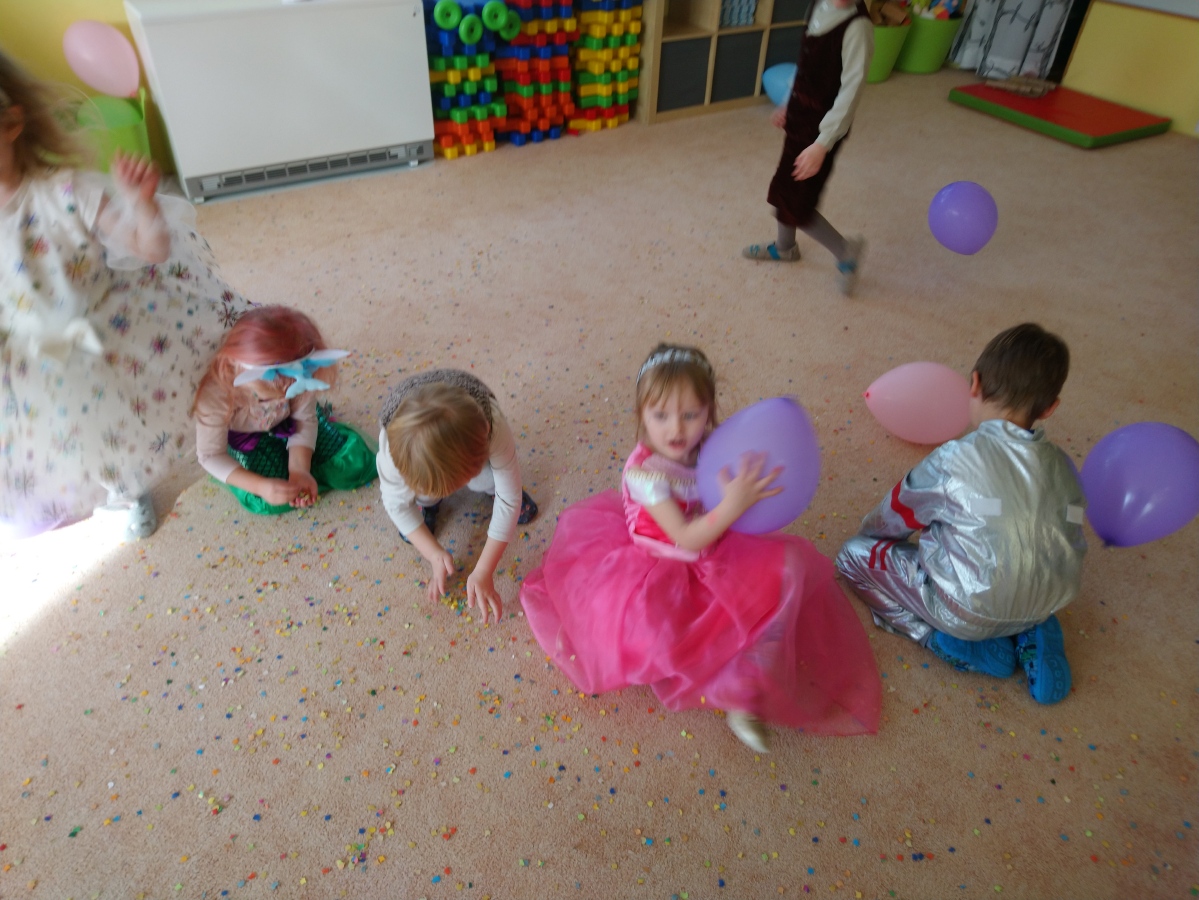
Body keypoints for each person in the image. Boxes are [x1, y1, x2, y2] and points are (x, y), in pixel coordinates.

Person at [520, 343, 881, 752]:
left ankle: (747, 688)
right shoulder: (645, 474)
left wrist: (752, 487)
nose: (676, 429)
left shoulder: (711, 445)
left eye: (691, 414)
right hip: (659, 562)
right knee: (659, 637)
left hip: (715, 545)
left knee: (789, 571)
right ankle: (729, 687)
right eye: (660, 416)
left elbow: (729, 481)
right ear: (641, 415)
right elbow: (685, 537)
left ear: (708, 411)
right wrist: (734, 505)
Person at [0, 51, 251, 539]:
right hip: (30, 352)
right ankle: (89, 487)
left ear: (11, 124)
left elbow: (150, 248)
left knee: (118, 422)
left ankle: (130, 488)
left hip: (101, 336)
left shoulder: (65, 192)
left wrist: (142, 206)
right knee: (58, 433)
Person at [836, 323, 1086, 705]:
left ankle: (937, 639)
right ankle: (1034, 631)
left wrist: (871, 537)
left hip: (964, 611)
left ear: (974, 383)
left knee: (851, 556)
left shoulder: (954, 458)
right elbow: (1071, 540)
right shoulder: (1065, 466)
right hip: (1049, 600)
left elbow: (897, 513)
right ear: (1050, 408)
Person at [376, 369, 539, 625]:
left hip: (475, 431)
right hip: (418, 445)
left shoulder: (492, 425)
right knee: (420, 498)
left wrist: (484, 569)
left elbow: (509, 499)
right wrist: (433, 554)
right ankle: (427, 501)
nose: (453, 493)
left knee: (488, 480)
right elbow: (395, 504)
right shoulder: (392, 451)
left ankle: (483, 485)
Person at [742, 0, 873, 296]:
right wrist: (788, 102)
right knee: (784, 187)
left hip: (822, 130)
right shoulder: (818, 6)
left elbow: (851, 92)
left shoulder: (857, 28)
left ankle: (845, 250)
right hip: (800, 118)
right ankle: (785, 248)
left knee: (799, 203)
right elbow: (805, 64)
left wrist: (822, 144)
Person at [191, 305, 376, 514]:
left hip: (292, 424)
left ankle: (306, 466)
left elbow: (304, 419)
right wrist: (260, 486)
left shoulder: (298, 378)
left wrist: (299, 470)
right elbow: (210, 455)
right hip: (250, 440)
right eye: (276, 388)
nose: (288, 390)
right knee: (270, 500)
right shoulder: (215, 396)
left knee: (353, 466)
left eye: (294, 385)